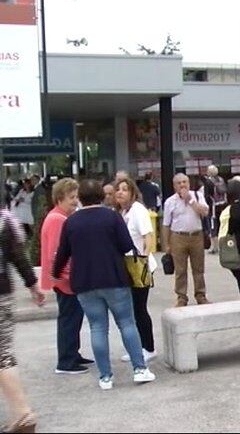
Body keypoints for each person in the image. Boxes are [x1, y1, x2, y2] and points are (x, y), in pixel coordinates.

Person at [52, 179, 156, 391]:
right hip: (114, 278)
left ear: (80, 198)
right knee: (127, 323)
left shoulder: (71, 222)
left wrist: (55, 273)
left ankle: (106, 376)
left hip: (84, 282)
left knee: (97, 328)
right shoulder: (112, 216)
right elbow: (127, 245)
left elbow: (63, 253)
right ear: (101, 196)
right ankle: (139, 369)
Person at [40, 178, 93, 375]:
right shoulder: (58, 220)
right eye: (71, 197)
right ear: (60, 198)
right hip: (65, 280)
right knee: (70, 319)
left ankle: (72, 354)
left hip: (62, 278)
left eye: (76, 196)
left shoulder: (57, 217)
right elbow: (58, 253)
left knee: (71, 317)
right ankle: (66, 360)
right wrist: (69, 276)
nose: (75, 201)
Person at [0, 204, 44, 432]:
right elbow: (18, 255)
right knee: (3, 352)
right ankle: (22, 413)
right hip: (3, 294)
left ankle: (22, 412)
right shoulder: (4, 219)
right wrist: (33, 285)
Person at [114, 179, 158, 363]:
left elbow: (148, 235)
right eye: (118, 189)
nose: (120, 192)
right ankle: (137, 346)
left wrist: (144, 258)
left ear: (133, 193)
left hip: (139, 265)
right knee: (131, 309)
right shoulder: (121, 212)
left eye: (125, 189)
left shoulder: (138, 210)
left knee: (139, 308)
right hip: (127, 266)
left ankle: (149, 347)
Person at [162, 174, 210, 307]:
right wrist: (166, 245)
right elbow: (166, 224)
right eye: (179, 183)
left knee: (198, 268)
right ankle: (181, 297)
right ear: (174, 186)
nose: (182, 185)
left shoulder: (198, 196)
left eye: (184, 182)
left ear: (189, 183)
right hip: (178, 237)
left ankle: (200, 295)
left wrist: (190, 200)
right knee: (180, 270)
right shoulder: (170, 202)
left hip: (196, 236)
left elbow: (205, 212)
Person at [202, 165, 227, 254]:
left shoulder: (208, 181)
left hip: (212, 206)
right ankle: (221, 246)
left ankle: (214, 247)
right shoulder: (221, 179)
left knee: (212, 226)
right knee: (221, 225)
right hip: (222, 205)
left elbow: (207, 195)